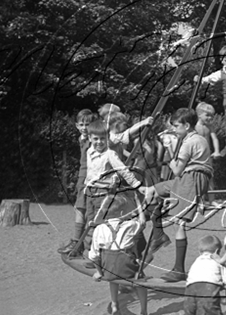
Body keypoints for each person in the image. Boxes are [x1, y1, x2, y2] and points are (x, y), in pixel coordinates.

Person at [140, 108, 214, 282]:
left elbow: (177, 169)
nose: (173, 129)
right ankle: (158, 235)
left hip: (191, 178)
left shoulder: (189, 142)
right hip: (189, 178)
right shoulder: (195, 139)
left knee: (179, 222)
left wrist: (167, 147)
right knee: (153, 190)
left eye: (176, 126)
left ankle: (179, 269)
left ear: (187, 125)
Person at [83, 120, 143, 252]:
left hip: (103, 193)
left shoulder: (110, 154)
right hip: (90, 191)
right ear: (90, 138)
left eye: (102, 139)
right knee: (89, 220)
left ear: (107, 138)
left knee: (101, 222)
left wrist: (136, 184)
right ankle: (90, 251)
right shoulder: (89, 151)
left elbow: (122, 169)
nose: (99, 142)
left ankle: (102, 252)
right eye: (95, 139)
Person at [89, 194, 148, 315]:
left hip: (108, 269)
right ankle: (143, 311)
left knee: (113, 277)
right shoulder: (130, 225)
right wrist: (138, 203)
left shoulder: (99, 228)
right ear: (122, 212)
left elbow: (94, 255)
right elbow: (142, 222)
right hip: (127, 268)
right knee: (141, 281)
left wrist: (99, 272)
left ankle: (115, 305)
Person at [58, 109, 96, 256]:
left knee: (85, 209)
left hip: (90, 176)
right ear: (76, 125)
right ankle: (77, 243)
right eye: (81, 124)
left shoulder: (94, 139)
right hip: (83, 176)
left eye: (88, 124)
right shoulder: (82, 138)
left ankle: (79, 243)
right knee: (79, 207)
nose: (84, 127)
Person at [183, 235, 226, 315]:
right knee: (210, 310)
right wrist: (224, 266)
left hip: (190, 289)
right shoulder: (218, 261)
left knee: (190, 311)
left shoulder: (196, 261)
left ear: (199, 252)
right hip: (208, 289)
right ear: (217, 251)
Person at [195, 102, 221, 208]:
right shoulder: (194, 127)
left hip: (208, 156)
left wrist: (217, 151)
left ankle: (212, 200)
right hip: (197, 157)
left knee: (210, 178)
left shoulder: (209, 127)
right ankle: (200, 200)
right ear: (199, 114)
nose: (210, 118)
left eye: (211, 115)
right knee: (199, 178)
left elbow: (214, 138)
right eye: (207, 115)